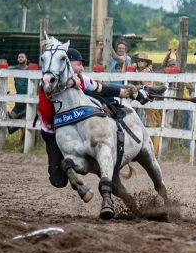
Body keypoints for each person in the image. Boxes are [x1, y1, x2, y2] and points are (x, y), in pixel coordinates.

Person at [39, 47, 154, 188]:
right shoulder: (50, 80)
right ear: (66, 64)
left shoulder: (80, 79)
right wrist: (71, 83)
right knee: (58, 181)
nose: (81, 68)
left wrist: (129, 93)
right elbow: (50, 88)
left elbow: (102, 88)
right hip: (52, 132)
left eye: (82, 64)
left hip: (72, 132)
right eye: (79, 64)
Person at [134, 52, 162, 153]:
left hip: (148, 101)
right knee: (148, 124)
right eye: (138, 60)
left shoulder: (146, 71)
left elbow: (146, 85)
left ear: (146, 63)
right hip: (144, 101)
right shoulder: (141, 71)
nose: (139, 62)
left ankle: (152, 149)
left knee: (151, 124)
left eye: (142, 60)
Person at [7, 52, 29, 134]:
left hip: (28, 97)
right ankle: (13, 125)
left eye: (22, 57)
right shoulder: (15, 68)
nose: (20, 58)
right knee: (12, 114)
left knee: (26, 113)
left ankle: (15, 120)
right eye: (19, 57)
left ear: (26, 59)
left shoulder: (30, 69)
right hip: (19, 98)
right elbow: (3, 71)